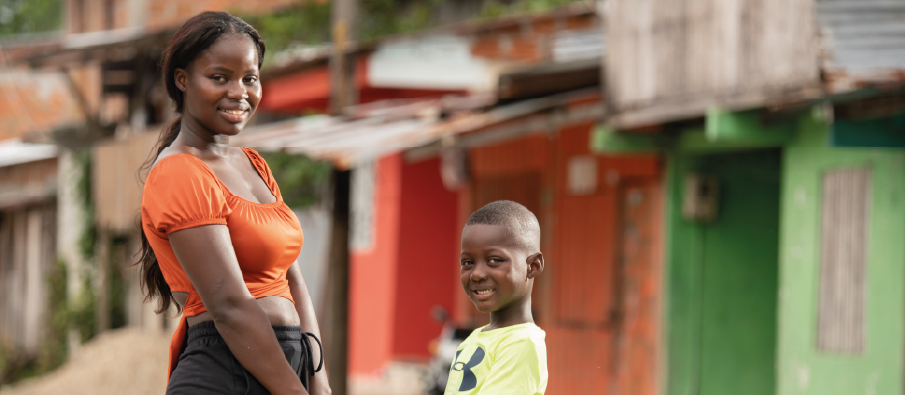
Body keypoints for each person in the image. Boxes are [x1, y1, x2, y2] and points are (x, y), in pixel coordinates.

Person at [136, 11, 330, 395]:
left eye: (249, 78)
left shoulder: (253, 164)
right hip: (223, 373)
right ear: (182, 80)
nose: (239, 92)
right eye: (219, 77)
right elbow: (229, 305)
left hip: (285, 370)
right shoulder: (179, 172)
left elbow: (292, 277)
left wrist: (318, 380)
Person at [446, 200, 548, 394]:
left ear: (533, 266)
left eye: (494, 260)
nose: (477, 274)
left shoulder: (521, 342)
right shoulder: (474, 338)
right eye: (468, 262)